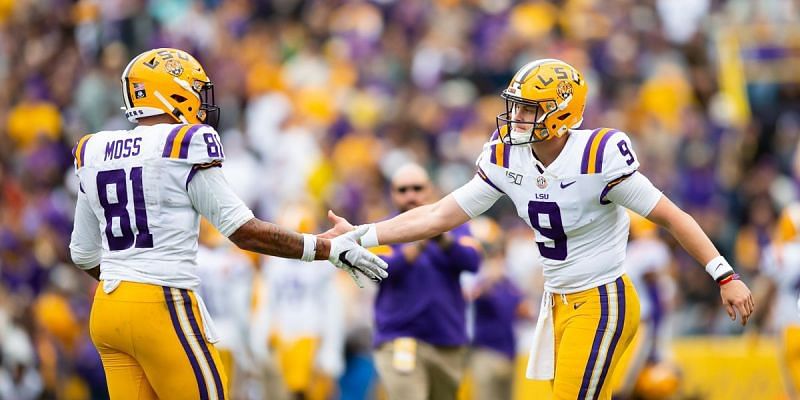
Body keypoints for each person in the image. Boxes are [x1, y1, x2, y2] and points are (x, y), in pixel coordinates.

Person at [322, 58, 754, 399]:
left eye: (529, 109)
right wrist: (361, 233)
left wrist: (725, 274)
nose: (516, 116)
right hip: (559, 302)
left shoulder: (597, 156)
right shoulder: (508, 157)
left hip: (603, 297)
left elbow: (673, 217)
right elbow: (436, 215)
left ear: (562, 113)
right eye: (516, 106)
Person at [68, 47, 387, 400]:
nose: (201, 101)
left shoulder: (94, 149)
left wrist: (129, 280)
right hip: (161, 303)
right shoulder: (183, 143)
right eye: (194, 88)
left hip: (108, 308)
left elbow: (82, 253)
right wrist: (325, 248)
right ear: (172, 91)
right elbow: (243, 231)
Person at [370, 163, 481, 400]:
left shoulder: (454, 226)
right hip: (400, 338)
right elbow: (378, 270)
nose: (410, 195)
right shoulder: (381, 230)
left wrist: (443, 239)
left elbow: (472, 261)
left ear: (430, 190)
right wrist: (418, 240)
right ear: (392, 193)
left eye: (417, 188)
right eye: (403, 190)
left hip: (447, 339)